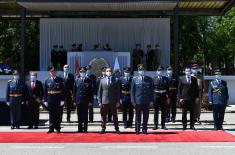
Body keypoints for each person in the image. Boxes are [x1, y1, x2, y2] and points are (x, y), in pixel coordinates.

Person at [131, 64, 154, 134]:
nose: (141, 71)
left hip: (146, 100)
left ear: (145, 70)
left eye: (143, 70)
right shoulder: (134, 79)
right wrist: (133, 100)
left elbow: (151, 91)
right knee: (138, 115)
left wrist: (151, 100)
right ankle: (137, 129)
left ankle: (144, 129)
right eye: (140, 70)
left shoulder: (149, 79)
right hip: (137, 101)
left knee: (146, 116)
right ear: (138, 71)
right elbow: (132, 91)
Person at [98, 67, 121, 134]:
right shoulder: (102, 80)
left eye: (110, 71)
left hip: (113, 101)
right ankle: (103, 128)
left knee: (115, 115)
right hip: (104, 100)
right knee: (103, 116)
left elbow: (118, 92)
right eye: (107, 71)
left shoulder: (116, 80)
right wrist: (99, 101)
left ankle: (117, 129)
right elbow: (99, 91)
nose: (109, 72)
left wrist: (118, 101)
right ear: (105, 72)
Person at [44, 68, 65, 133]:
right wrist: (45, 100)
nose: (53, 73)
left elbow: (63, 90)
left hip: (57, 99)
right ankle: (51, 128)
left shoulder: (60, 79)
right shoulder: (47, 80)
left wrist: (62, 100)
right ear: (50, 73)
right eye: (51, 72)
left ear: (56, 72)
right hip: (50, 98)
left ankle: (57, 128)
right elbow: (45, 91)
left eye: (54, 72)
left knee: (57, 114)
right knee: (51, 114)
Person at [74, 67, 93, 132]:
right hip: (79, 100)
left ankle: (85, 128)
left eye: (84, 72)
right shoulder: (77, 80)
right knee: (79, 115)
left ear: (85, 72)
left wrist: (90, 101)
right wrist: (74, 101)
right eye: (81, 72)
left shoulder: (89, 80)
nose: (82, 73)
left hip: (86, 100)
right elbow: (74, 91)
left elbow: (91, 92)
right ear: (79, 72)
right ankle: (79, 128)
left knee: (85, 115)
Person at [152, 66, 169, 130]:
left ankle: (163, 124)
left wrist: (168, 97)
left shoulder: (166, 79)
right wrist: (152, 98)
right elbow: (152, 89)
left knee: (163, 111)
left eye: (161, 70)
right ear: (156, 71)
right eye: (158, 70)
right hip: (156, 97)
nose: (160, 72)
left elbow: (167, 89)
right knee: (156, 112)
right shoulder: (154, 79)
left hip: (163, 97)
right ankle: (155, 125)